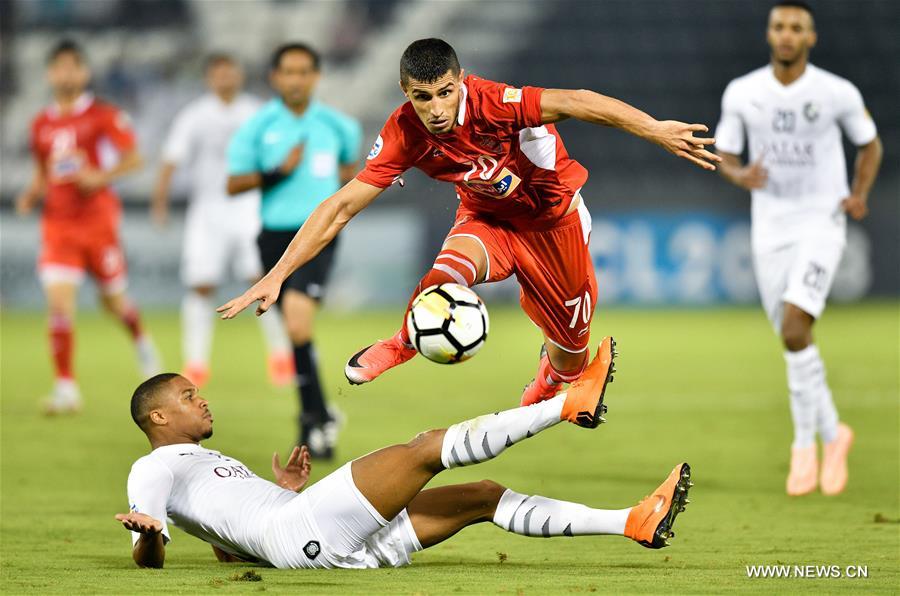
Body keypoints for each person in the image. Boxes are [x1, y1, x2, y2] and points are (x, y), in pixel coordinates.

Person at [218, 38, 720, 408]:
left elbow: (580, 101)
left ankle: (551, 375)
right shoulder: (403, 131)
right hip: (486, 221)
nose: (435, 109)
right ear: (405, 91)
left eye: (444, 93)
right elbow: (340, 206)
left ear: (460, 81)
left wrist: (655, 130)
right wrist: (277, 274)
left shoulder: (495, 103)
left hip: (554, 227)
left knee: (572, 355)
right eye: (422, 96)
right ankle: (401, 342)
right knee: (444, 276)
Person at [116, 338, 693, 569]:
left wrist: (284, 494)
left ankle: (632, 523)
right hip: (301, 532)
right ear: (159, 417)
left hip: (313, 536)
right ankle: (568, 403)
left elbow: (229, 549)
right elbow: (152, 547)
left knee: (483, 497)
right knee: (424, 450)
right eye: (189, 397)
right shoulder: (154, 467)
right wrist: (147, 532)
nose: (203, 401)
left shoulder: (204, 469)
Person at [714, 0, 882, 496]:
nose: (787, 35)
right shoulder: (743, 92)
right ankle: (836, 433)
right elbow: (725, 152)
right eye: (779, 26)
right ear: (770, 34)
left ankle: (803, 447)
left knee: (793, 330)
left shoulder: (835, 92)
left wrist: (859, 194)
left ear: (811, 37)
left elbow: (869, 144)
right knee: (793, 342)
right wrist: (740, 173)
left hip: (821, 222)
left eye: (797, 28)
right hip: (769, 229)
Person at [225, 43, 363, 458]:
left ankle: (315, 418)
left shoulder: (338, 126)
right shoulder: (258, 126)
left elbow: (348, 171)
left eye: (304, 71)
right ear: (275, 77)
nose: (296, 79)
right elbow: (233, 184)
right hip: (273, 237)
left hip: (318, 235)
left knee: (299, 326)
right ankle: (317, 418)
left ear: (315, 76)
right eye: (288, 72)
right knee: (295, 332)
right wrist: (277, 172)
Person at [15, 39, 161, 414]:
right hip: (59, 227)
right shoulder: (41, 123)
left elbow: (134, 159)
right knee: (59, 305)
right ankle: (66, 388)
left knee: (113, 302)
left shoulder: (103, 115)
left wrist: (100, 176)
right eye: (59, 67)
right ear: (50, 73)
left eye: (73, 67)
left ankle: (142, 341)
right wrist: (31, 194)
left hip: (98, 225)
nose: (66, 74)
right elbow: (44, 172)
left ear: (84, 72)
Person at [151, 53, 293, 388]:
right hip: (208, 211)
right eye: (219, 74)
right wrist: (161, 201)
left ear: (239, 75)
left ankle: (281, 358)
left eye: (230, 72)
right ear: (209, 78)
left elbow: (279, 159)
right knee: (201, 285)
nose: (225, 79)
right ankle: (197, 363)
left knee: (262, 281)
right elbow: (171, 159)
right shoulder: (196, 115)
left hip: (249, 208)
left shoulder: (257, 112)